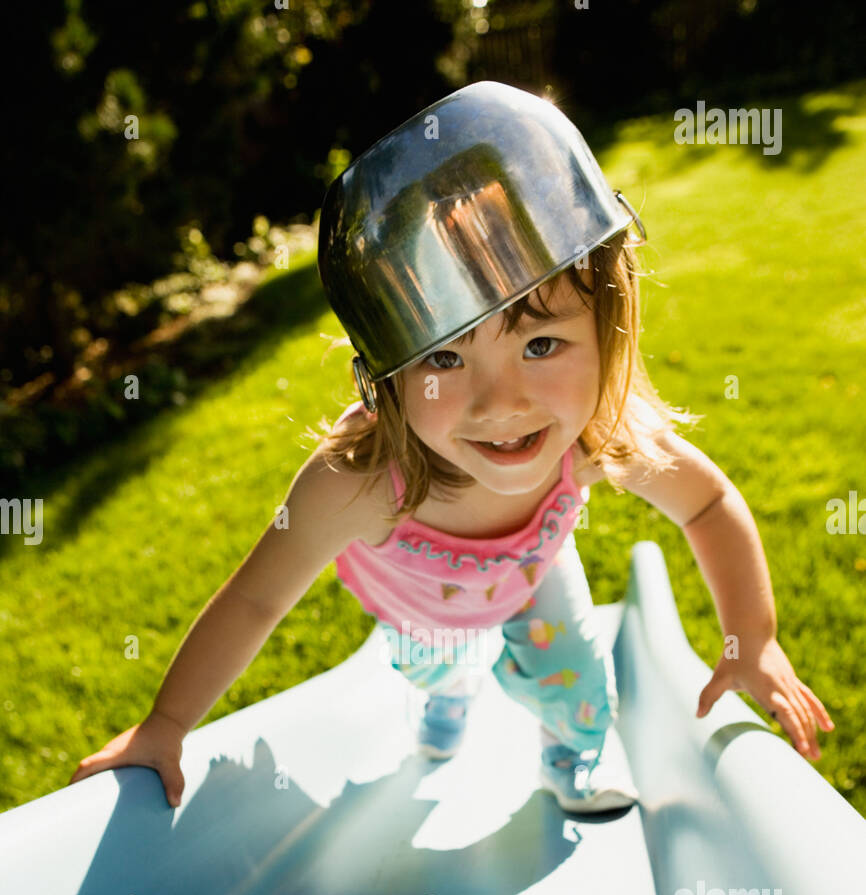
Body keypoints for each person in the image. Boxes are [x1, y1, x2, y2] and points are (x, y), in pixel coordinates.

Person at [68, 83, 834, 814]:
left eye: (541, 343)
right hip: (417, 612)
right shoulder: (358, 483)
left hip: (533, 578)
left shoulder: (600, 438)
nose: (501, 403)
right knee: (441, 672)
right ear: (385, 382)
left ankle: (572, 755)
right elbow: (257, 598)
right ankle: (450, 696)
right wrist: (166, 725)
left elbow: (707, 502)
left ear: (608, 327)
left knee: (575, 681)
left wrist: (752, 640)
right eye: (443, 359)